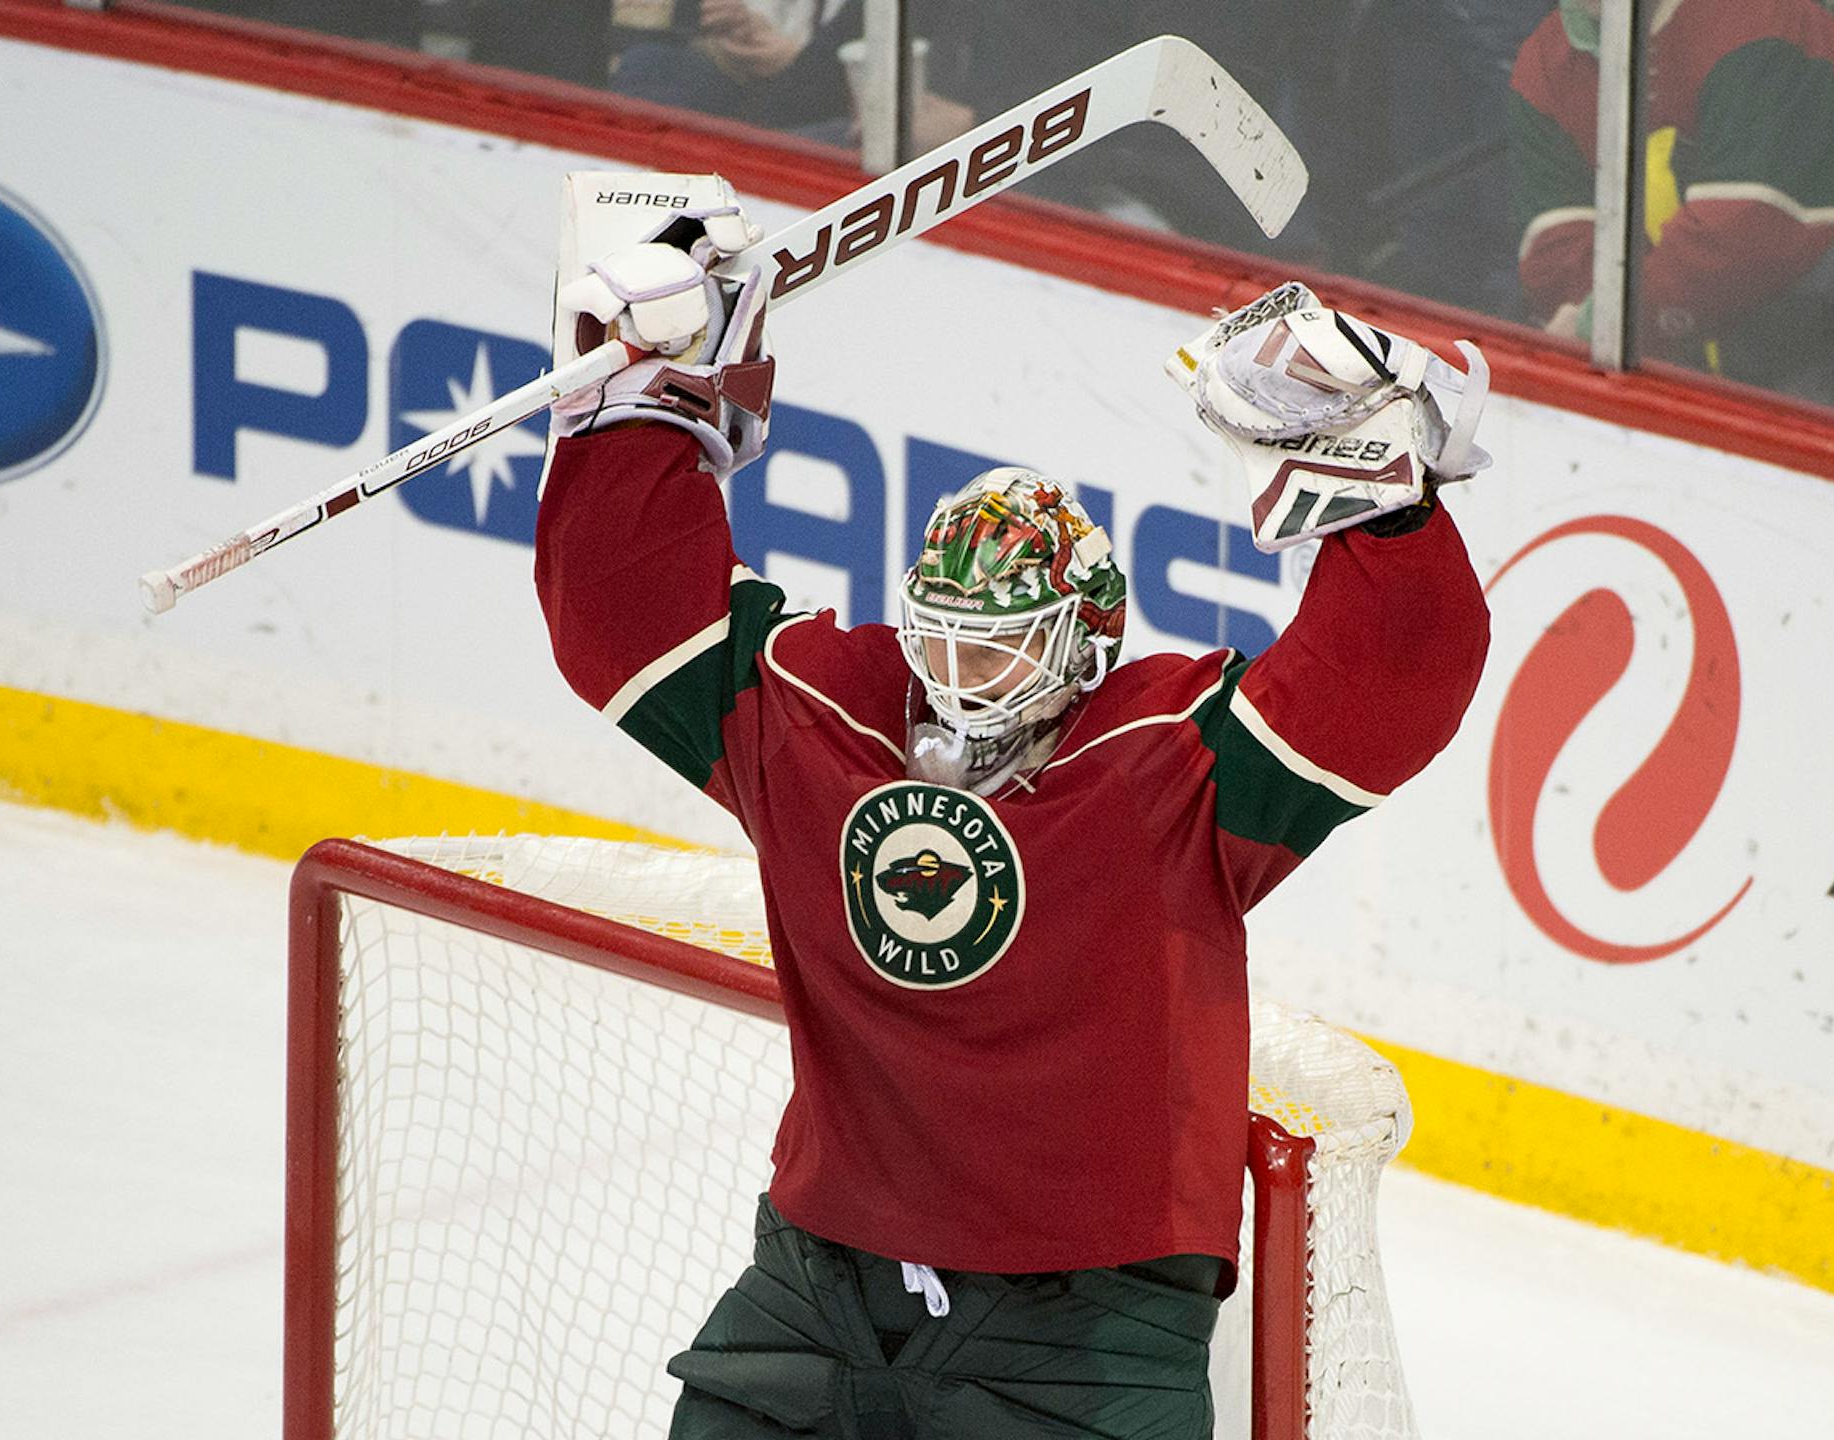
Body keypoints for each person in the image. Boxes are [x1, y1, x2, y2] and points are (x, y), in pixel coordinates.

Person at [533, 204, 1492, 1437]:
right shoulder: (827, 717)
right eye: (944, 632)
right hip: (816, 1292)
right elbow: (620, 611)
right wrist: (643, 392)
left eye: (1002, 646)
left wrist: (1373, 477)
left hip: (1084, 1337)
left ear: (1087, 646)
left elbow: (1396, 671)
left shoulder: (1167, 760)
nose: (961, 672)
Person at [1510, 0, 1834, 397]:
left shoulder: (1763, 19)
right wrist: (1595, 330)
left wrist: (1603, 325)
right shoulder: (1545, 62)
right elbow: (1554, 252)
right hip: (1683, 357)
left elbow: (1746, 233)